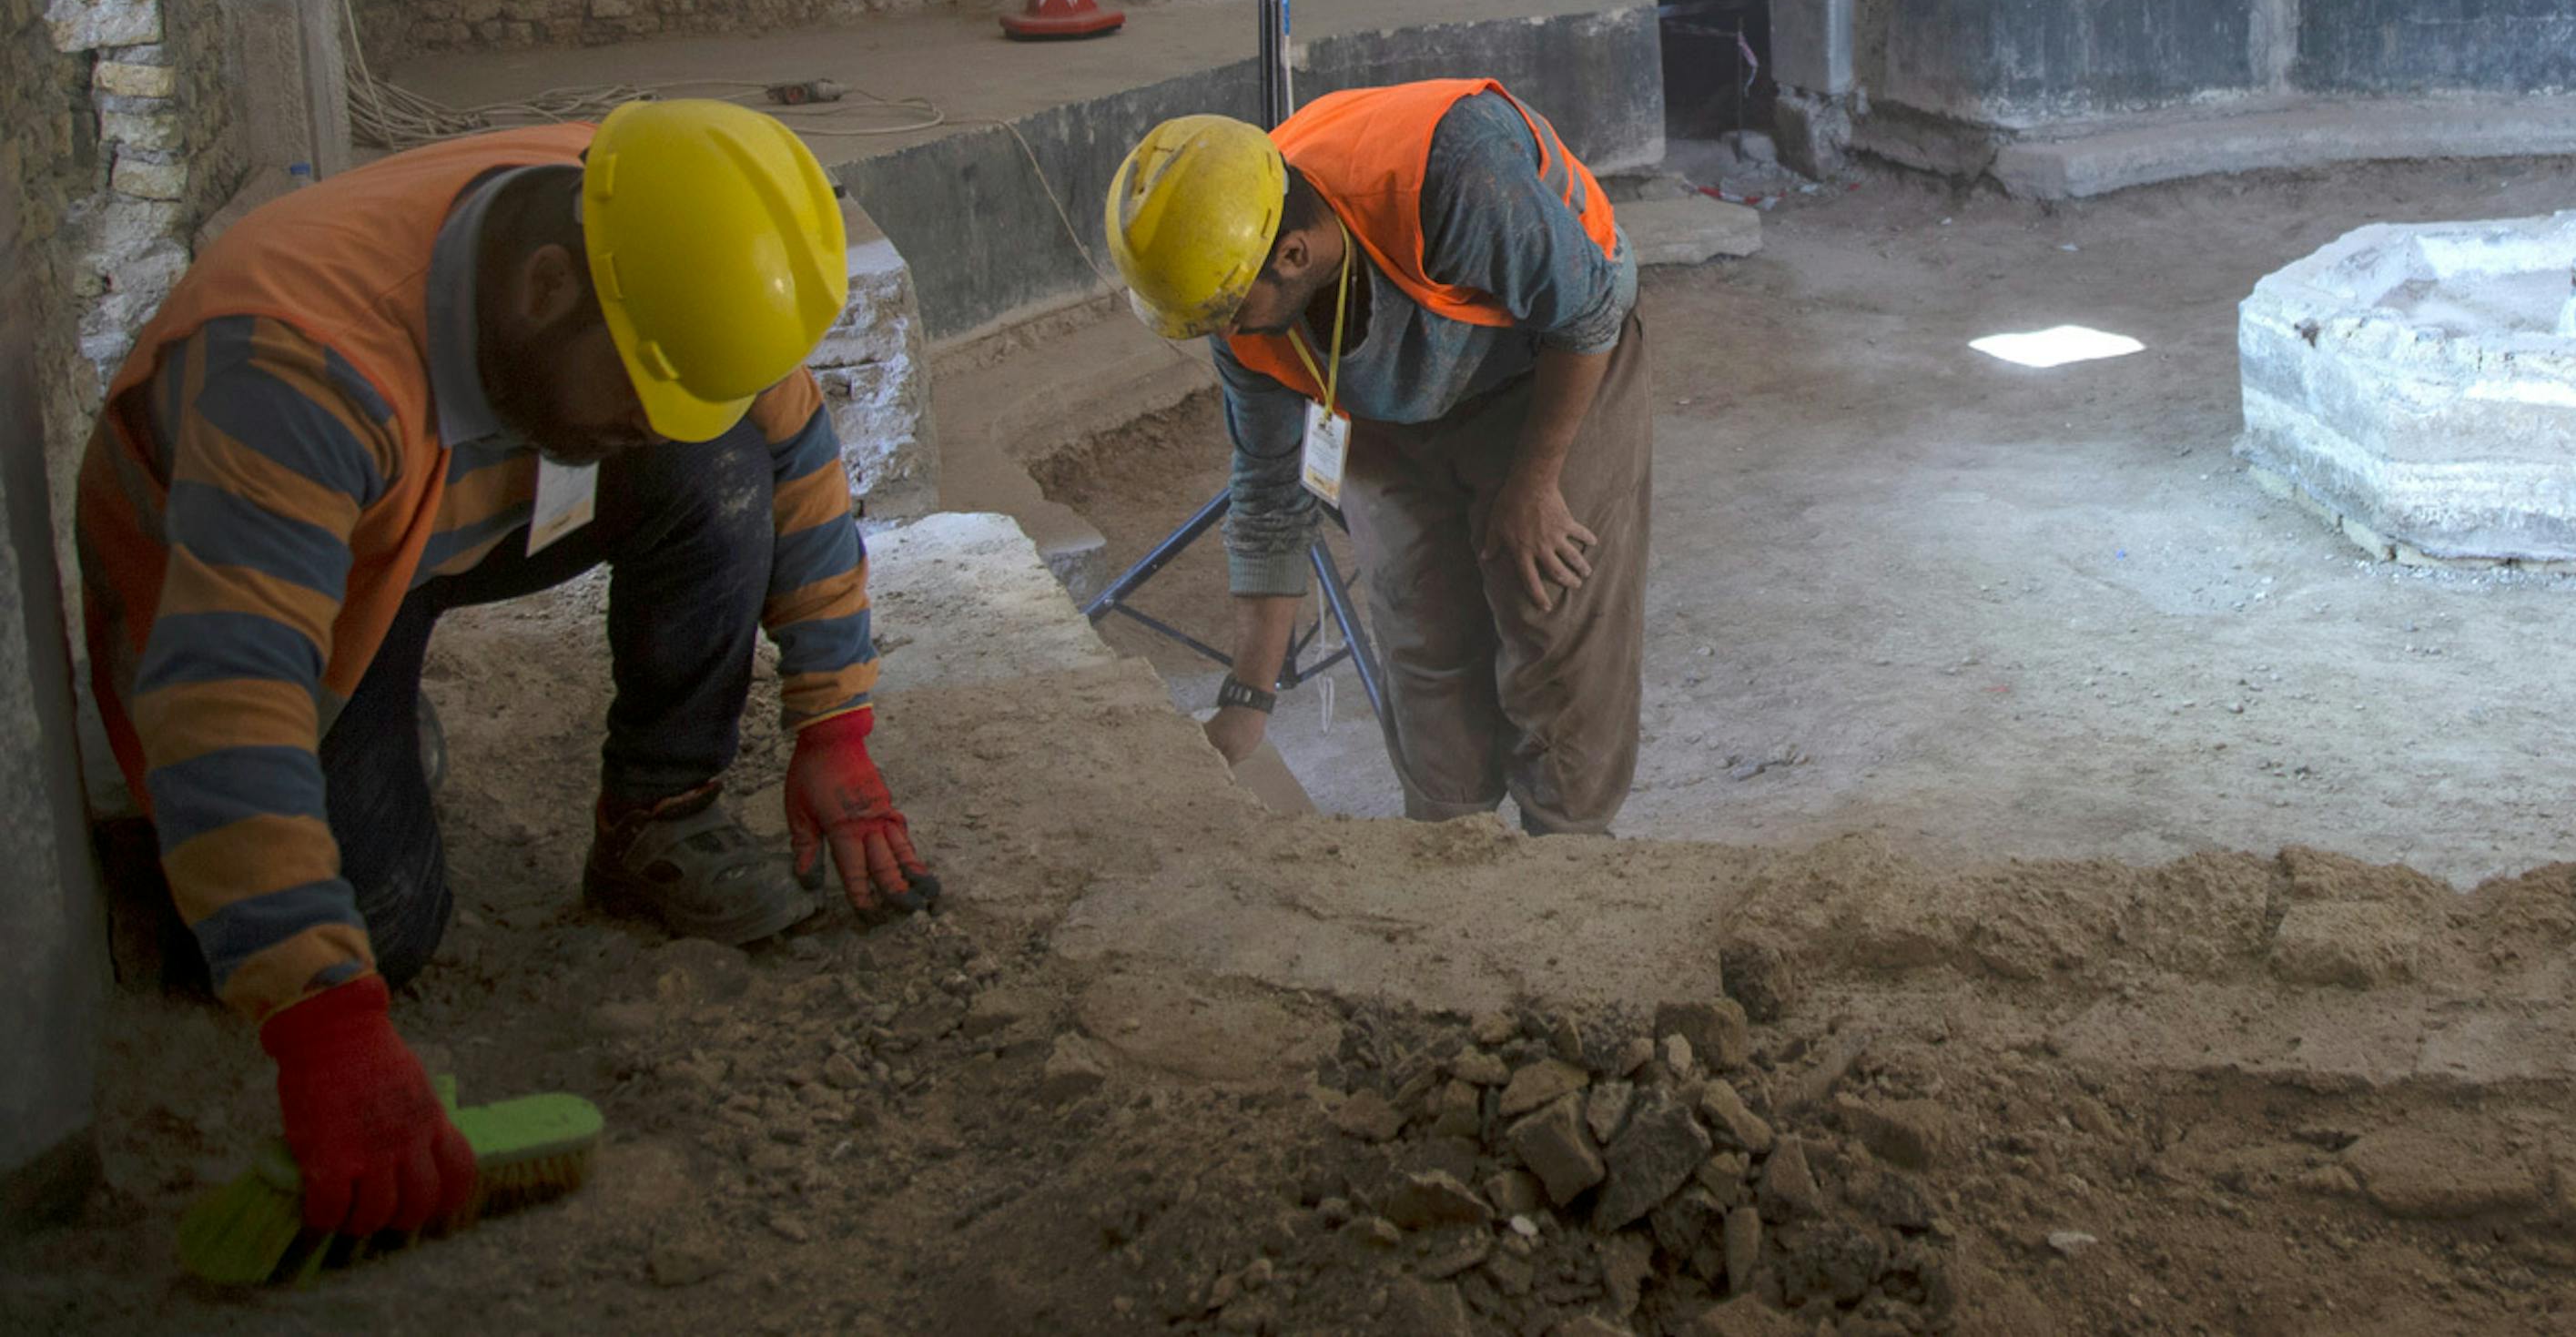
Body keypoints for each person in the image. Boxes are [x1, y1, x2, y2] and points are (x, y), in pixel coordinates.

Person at [74, 101, 935, 1241]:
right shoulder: (300, 369)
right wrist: (326, 1029)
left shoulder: (655, 232)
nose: (650, 415)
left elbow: (796, 452)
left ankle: (657, 815)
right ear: (541, 288)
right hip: (305, 584)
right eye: (636, 386)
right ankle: (313, 752)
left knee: (710, 450)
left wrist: (836, 726)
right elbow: (225, 695)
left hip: (447, 505)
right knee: (378, 932)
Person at [1103, 78, 1647, 836]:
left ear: (1293, 253)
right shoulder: (1241, 285)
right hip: (1383, 393)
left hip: (1551, 362)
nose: (1219, 335)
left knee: (1548, 615)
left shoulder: (1452, 173)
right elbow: (1268, 492)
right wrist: (1247, 700)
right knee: (1417, 624)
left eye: (1226, 314)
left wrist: (1534, 484)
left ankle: (1568, 863)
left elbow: (1588, 313)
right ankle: (1449, 855)